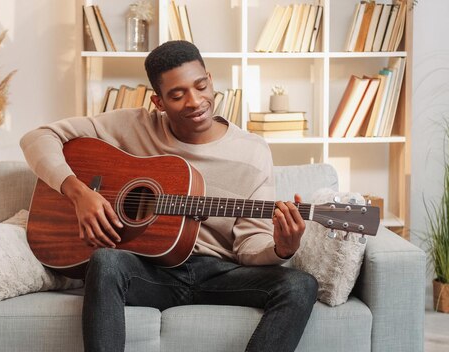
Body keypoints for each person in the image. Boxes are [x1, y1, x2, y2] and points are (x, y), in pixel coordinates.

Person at [20, 40, 317, 352]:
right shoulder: (131, 125)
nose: (195, 101)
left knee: (300, 284)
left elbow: (248, 245)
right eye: (177, 95)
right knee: (106, 260)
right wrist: (78, 192)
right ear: (158, 102)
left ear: (211, 80)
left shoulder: (253, 151)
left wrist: (282, 248)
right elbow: (37, 137)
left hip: (219, 274)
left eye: (201, 86)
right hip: (150, 271)